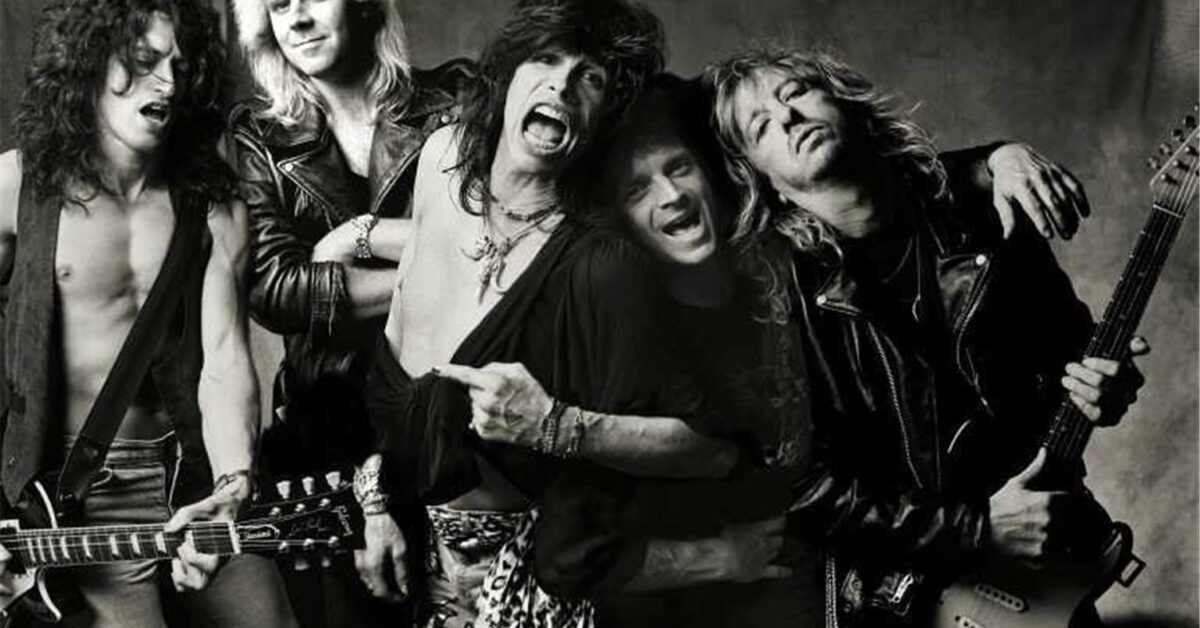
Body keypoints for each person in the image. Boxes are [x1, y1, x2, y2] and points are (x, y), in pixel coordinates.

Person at [436, 74, 1140, 628]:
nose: (672, 195)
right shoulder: (639, 331)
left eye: (681, 168)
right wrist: (713, 559)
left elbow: (870, 186)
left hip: (921, 584)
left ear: (723, 177)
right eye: (638, 190)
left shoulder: (782, 274)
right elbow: (569, 555)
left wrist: (993, 163)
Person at [704, 48, 1148, 626]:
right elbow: (799, 486)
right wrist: (975, 530)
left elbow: (1066, 353)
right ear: (768, 184)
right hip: (903, 599)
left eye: (796, 94)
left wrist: (1102, 388)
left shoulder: (987, 214)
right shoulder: (775, 306)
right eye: (761, 126)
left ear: (848, 102)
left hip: (1040, 585)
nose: (788, 118)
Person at [361, 1, 763, 625]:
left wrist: (556, 425)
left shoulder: (599, 266)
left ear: (604, 118)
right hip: (416, 573)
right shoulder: (441, 161)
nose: (562, 85)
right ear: (508, 75)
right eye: (545, 59)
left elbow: (712, 450)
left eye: (590, 78)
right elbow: (399, 368)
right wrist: (376, 504)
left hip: (530, 596)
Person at [0, 1, 296, 627]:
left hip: (193, 469)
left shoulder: (216, 204)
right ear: (86, 62)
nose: (166, 82)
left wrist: (233, 484)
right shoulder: (17, 187)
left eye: (179, 67)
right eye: (143, 60)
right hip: (74, 496)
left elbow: (224, 361)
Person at [228, 0, 472, 625]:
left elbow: (506, 233)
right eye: (277, 5)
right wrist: (447, 271)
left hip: (452, 416)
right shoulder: (261, 139)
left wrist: (357, 237)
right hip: (325, 442)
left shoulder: (456, 99)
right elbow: (276, 289)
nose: (297, 18)